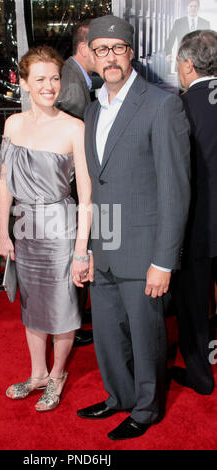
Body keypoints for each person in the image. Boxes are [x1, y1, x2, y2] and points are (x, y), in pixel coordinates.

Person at [76, 15, 191, 440]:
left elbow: (175, 190)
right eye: (101, 49)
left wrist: (164, 260)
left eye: (118, 49)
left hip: (144, 251)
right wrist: (86, 248)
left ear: (131, 53)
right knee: (106, 335)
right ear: (91, 55)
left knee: (146, 337)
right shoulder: (92, 108)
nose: (110, 57)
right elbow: (95, 185)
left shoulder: (162, 104)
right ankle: (119, 396)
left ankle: (147, 408)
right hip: (105, 245)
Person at [0, 45, 92, 412]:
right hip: (24, 228)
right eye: (40, 79)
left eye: (55, 78)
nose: (50, 86)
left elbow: (85, 194)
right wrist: (4, 233)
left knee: (64, 308)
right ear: (24, 84)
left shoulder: (73, 127)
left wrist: (81, 249)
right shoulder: (13, 125)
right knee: (32, 306)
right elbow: (6, 182)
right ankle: (37, 374)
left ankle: (57, 375)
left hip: (60, 230)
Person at [171, 30, 217, 395]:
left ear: (188, 64)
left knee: (194, 304)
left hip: (198, 227)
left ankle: (201, 375)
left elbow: (177, 173)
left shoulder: (182, 107)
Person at [56, 19, 95, 347]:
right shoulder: (71, 84)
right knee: (77, 250)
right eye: (98, 47)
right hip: (70, 189)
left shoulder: (76, 76)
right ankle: (73, 319)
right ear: (84, 49)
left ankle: (78, 315)